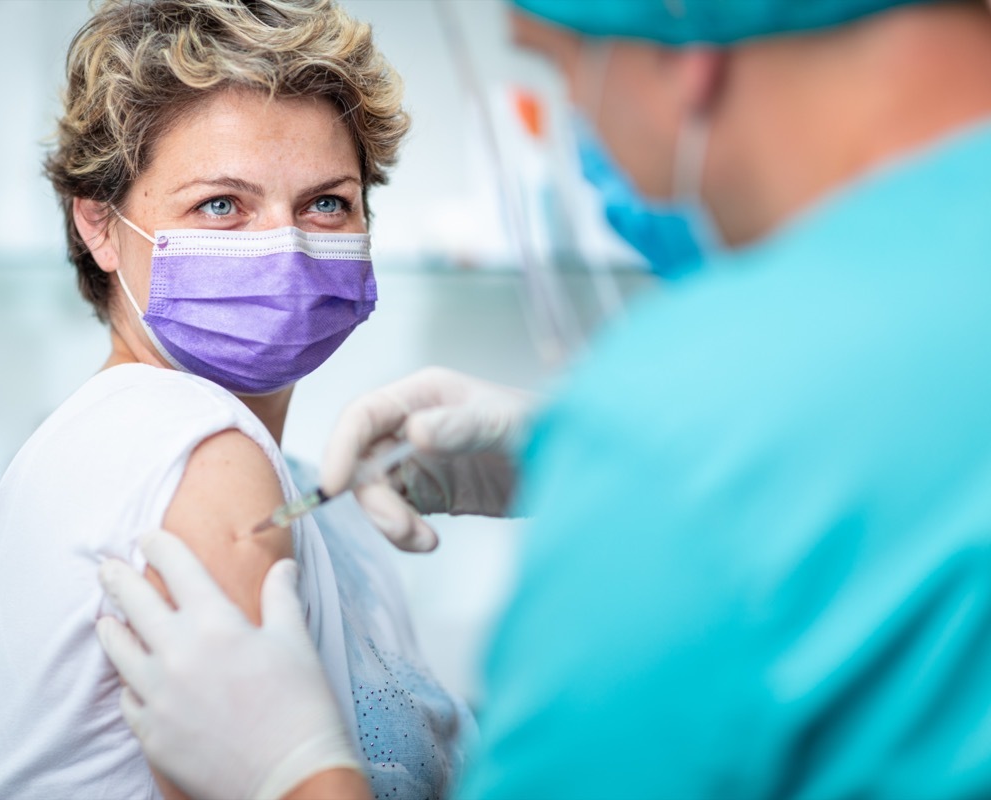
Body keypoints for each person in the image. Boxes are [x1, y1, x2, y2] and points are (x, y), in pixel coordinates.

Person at [95, 0, 991, 797]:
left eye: (565, 65)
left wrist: (294, 777)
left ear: (686, 49)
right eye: (221, 205)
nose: (583, 129)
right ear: (97, 223)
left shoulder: (682, 428)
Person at [0, 1, 473, 798]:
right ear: (98, 223)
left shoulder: (307, 490)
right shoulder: (193, 445)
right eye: (221, 205)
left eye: (326, 202)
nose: (286, 246)